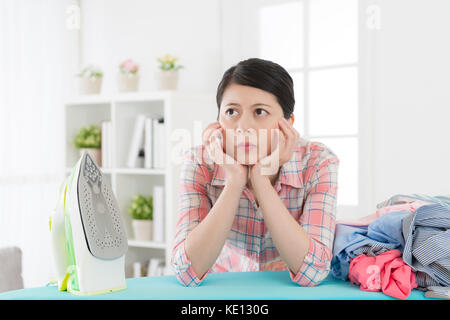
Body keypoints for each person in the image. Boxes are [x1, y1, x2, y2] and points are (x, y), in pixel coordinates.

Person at [171, 57, 340, 287]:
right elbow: (185, 272)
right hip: (225, 290)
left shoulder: (319, 162)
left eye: (260, 111)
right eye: (232, 112)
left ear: (287, 123)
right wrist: (235, 181)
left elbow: (313, 271)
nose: (243, 127)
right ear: (218, 121)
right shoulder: (199, 162)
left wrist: (260, 179)